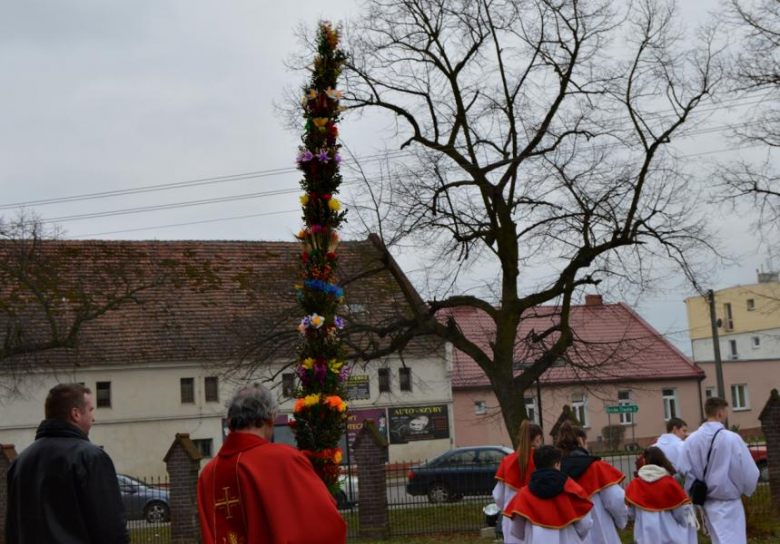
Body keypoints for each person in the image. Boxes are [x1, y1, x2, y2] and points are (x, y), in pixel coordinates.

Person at [197, 382, 347, 544]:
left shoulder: (208, 474)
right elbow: (326, 524)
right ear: (270, 418)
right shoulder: (285, 459)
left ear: (230, 421)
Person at [5, 383, 129, 544]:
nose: (93, 417)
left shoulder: (19, 463)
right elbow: (111, 529)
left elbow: (13, 530)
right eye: (90, 410)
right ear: (76, 414)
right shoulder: (90, 458)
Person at [679, 397, 759, 544]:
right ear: (720, 413)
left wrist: (693, 493)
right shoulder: (732, 439)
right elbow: (749, 472)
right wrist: (747, 489)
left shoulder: (691, 440)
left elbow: (684, 471)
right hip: (730, 502)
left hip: (707, 501)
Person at [504, 445, 594, 543]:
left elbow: (517, 531)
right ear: (556, 464)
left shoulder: (524, 494)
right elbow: (585, 524)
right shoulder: (572, 489)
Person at [557, 422, 627, 544]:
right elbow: (615, 500)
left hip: (569, 533)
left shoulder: (557, 470)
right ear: (581, 441)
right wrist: (621, 522)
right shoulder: (596, 467)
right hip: (600, 528)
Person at [625, 446, 698, 544]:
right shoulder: (670, 483)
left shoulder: (635, 484)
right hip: (670, 538)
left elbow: (630, 513)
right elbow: (681, 513)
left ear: (644, 462)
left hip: (644, 538)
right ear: (662, 460)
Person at [493, 420, 543, 543]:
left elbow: (498, 496)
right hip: (538, 519)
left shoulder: (508, 461)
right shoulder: (544, 461)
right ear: (538, 438)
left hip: (512, 519)